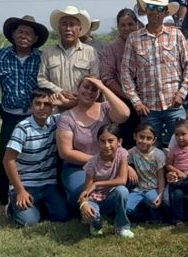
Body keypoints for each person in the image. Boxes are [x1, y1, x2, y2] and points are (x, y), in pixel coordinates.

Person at [120, 0, 188, 144]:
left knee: (180, 148)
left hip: (174, 105)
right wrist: (136, 101)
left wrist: (182, 93)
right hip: (148, 108)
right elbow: (126, 73)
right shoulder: (134, 39)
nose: (155, 12)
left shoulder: (176, 35)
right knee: (149, 151)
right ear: (146, 9)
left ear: (165, 12)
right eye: (152, 7)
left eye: (160, 9)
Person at [0, 15, 49, 212]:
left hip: (35, 116)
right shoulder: (0, 56)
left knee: (39, 156)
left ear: (35, 38)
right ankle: (4, 201)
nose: (24, 36)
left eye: (28, 33)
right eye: (20, 32)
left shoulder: (42, 58)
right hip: (10, 116)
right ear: (13, 34)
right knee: (6, 157)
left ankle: (40, 196)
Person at [56, 75, 133, 204]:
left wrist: (103, 87)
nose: (89, 92)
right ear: (78, 88)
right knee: (80, 191)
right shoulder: (66, 118)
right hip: (79, 168)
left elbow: (124, 114)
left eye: (94, 89)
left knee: (129, 182)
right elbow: (65, 152)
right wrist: (98, 161)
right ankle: (98, 205)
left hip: (110, 165)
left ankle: (101, 205)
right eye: (86, 87)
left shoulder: (105, 108)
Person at [4, 91, 69, 226]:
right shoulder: (22, 128)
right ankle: (12, 205)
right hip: (26, 184)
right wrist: (20, 191)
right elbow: (8, 160)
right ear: (31, 106)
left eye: (47, 104)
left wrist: (63, 103)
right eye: (37, 103)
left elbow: (76, 110)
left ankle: (40, 206)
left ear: (53, 107)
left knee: (62, 216)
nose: (42, 107)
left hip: (49, 182)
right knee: (30, 222)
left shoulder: (57, 122)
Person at [79, 125, 134, 238]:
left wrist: (98, 183)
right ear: (98, 142)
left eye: (111, 141)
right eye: (102, 141)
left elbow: (122, 180)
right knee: (92, 215)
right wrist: (84, 204)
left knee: (122, 191)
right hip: (95, 199)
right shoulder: (92, 163)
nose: (106, 145)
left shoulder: (122, 154)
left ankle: (122, 226)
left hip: (110, 198)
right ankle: (96, 223)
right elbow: (87, 190)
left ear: (119, 142)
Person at [38, 6, 100, 97]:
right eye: (64, 24)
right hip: (56, 107)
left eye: (72, 25)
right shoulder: (48, 52)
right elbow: (41, 80)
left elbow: (95, 79)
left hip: (81, 106)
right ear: (59, 29)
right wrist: (61, 92)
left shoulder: (90, 52)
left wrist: (78, 96)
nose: (67, 29)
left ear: (80, 29)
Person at [99, 8, 140, 127]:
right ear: (118, 27)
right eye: (123, 25)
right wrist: (130, 97)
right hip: (122, 101)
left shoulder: (144, 44)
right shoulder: (111, 48)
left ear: (136, 24)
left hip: (147, 100)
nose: (127, 28)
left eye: (130, 24)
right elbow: (107, 78)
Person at [126, 124, 167, 223]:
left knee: (152, 200)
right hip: (139, 189)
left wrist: (160, 195)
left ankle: (157, 214)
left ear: (154, 140)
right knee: (127, 208)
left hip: (154, 189)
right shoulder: (132, 152)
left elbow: (161, 178)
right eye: (141, 137)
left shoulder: (158, 154)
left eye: (149, 138)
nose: (144, 141)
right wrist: (128, 168)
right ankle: (144, 213)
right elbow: (120, 159)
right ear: (135, 136)